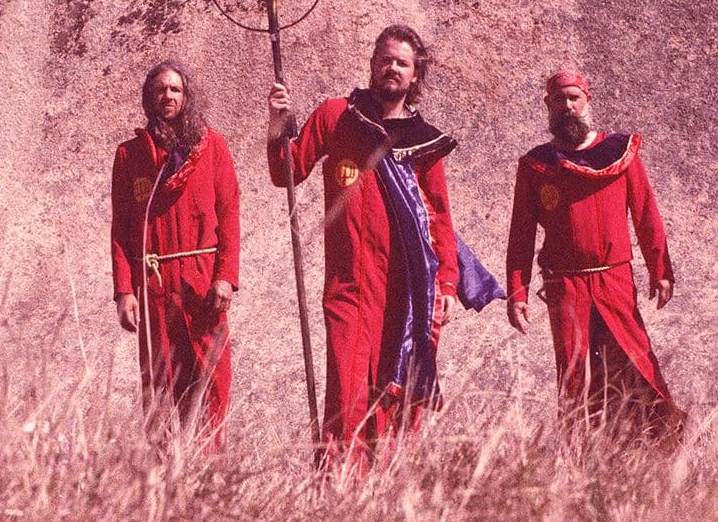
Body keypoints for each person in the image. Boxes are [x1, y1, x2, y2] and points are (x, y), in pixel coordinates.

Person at [268, 24, 501, 475]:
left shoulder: (423, 139)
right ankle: (338, 489)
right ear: (372, 62)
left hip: (407, 290)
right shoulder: (337, 116)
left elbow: (438, 217)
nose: (391, 67)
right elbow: (288, 172)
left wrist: (447, 283)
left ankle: (387, 492)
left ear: (415, 75)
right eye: (385, 58)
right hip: (350, 288)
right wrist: (279, 124)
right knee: (347, 391)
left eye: (402, 62)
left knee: (395, 393)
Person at [506, 70, 681, 436]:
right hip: (565, 285)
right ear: (547, 105)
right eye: (559, 100)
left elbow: (646, 211)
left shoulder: (619, 153)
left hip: (614, 278)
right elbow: (521, 234)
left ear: (588, 101)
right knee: (576, 376)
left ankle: (651, 447)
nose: (567, 106)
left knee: (632, 363)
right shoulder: (537, 165)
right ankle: (579, 460)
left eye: (574, 98)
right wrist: (517, 293)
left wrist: (659, 268)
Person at [110, 60, 240, 448]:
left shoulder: (212, 146)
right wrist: (124, 291)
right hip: (155, 287)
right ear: (149, 98)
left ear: (187, 96)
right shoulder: (130, 155)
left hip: (202, 286)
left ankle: (211, 472)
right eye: (160, 90)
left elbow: (229, 212)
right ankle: (163, 478)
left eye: (175, 90)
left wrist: (226, 276)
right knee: (162, 386)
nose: (167, 96)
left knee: (213, 381)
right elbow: (122, 229)